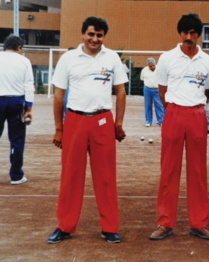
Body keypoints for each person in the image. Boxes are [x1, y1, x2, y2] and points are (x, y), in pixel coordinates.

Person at [47, 16, 128, 244]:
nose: (95, 39)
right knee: (71, 175)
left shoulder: (111, 57)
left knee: (106, 177)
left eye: (99, 35)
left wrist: (118, 124)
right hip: (75, 121)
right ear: (83, 34)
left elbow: (120, 92)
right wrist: (59, 128)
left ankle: (109, 227)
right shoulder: (69, 59)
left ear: (104, 37)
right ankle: (65, 225)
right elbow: (59, 95)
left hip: (103, 121)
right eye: (91, 34)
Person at [149, 13, 209, 241]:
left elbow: (207, 92)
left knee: (198, 171)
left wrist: (192, 107)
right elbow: (161, 91)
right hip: (174, 114)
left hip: (197, 115)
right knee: (169, 170)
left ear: (199, 35)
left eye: (193, 33)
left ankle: (199, 223)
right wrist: (174, 109)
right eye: (185, 33)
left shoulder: (208, 61)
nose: (189, 37)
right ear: (180, 34)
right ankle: (165, 223)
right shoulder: (167, 58)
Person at [0, 35, 34, 185]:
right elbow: (28, 86)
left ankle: (16, 175)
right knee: (17, 140)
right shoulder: (24, 61)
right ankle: (16, 175)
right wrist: (29, 109)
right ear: (19, 47)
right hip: (16, 101)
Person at [140, 57, 164, 127]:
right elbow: (142, 79)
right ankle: (148, 121)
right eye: (150, 66)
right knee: (148, 105)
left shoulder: (160, 69)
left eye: (153, 65)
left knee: (159, 105)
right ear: (148, 65)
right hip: (147, 89)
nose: (152, 67)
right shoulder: (144, 70)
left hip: (157, 89)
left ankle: (161, 121)